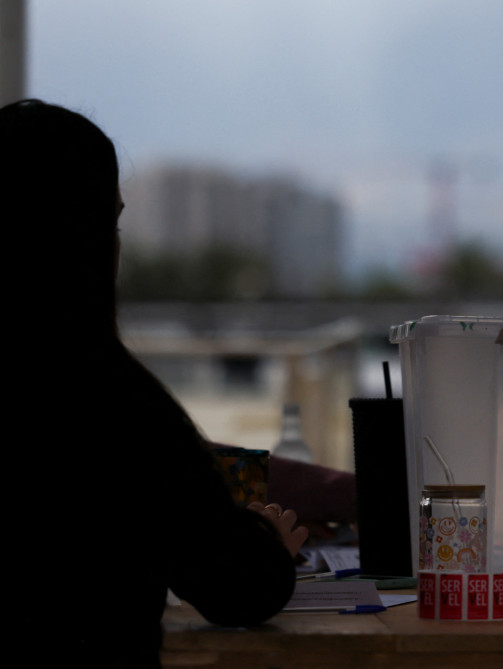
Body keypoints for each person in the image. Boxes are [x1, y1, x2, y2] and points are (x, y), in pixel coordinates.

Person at [3, 99, 307, 668]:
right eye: (107, 222)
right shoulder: (107, 402)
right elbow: (238, 586)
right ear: (80, 241)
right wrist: (266, 541)